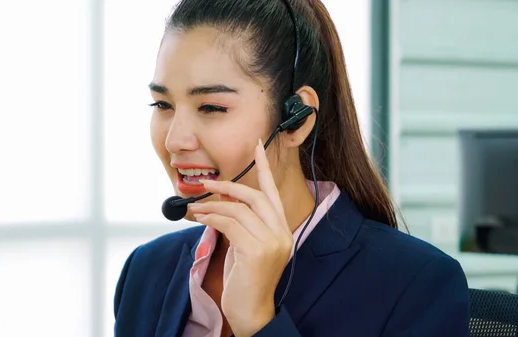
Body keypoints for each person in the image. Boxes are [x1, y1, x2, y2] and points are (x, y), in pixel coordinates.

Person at [113, 0, 471, 336]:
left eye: (211, 108)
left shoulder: (414, 283)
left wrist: (258, 323)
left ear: (296, 118)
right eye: (162, 105)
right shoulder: (147, 271)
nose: (175, 140)